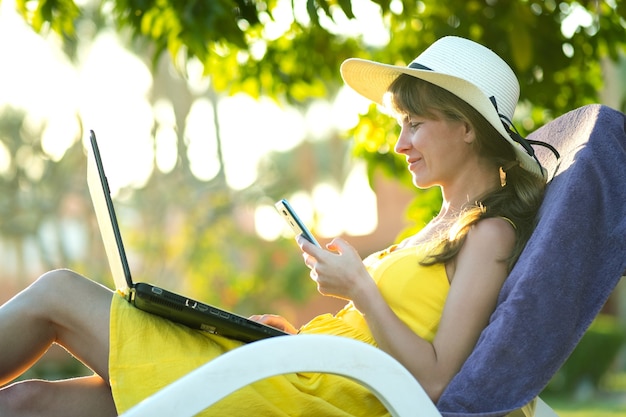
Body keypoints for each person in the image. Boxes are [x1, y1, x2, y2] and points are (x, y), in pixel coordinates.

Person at [0, 36, 550, 416]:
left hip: (302, 397)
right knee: (27, 404)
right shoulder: (439, 227)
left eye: (416, 124)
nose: (400, 143)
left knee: (59, 292)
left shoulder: (490, 235)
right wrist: (285, 333)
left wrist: (359, 287)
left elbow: (433, 380)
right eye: (401, 124)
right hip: (290, 366)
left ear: (468, 128)